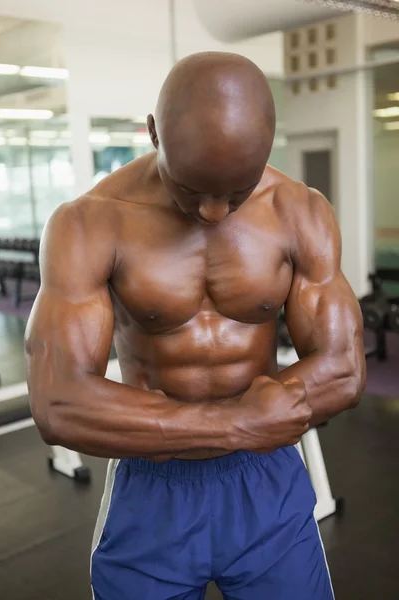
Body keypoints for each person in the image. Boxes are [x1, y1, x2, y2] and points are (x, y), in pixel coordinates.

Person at [25, 52, 365, 600]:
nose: (212, 213)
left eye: (236, 192)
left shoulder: (301, 212)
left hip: (265, 482)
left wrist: (248, 430)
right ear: (153, 133)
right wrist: (235, 425)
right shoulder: (89, 222)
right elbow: (58, 401)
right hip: (151, 487)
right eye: (194, 189)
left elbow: (345, 370)